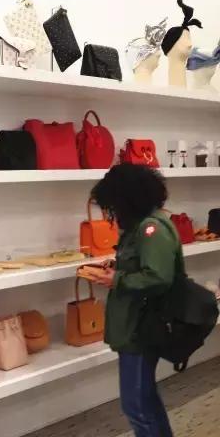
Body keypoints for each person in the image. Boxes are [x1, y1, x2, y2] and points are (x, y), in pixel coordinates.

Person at [90, 163, 177, 437]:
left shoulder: (151, 228)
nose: (111, 213)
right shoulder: (142, 225)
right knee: (146, 401)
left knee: (136, 407)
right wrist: (118, 268)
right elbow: (143, 266)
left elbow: (159, 277)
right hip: (136, 325)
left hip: (140, 328)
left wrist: (116, 279)